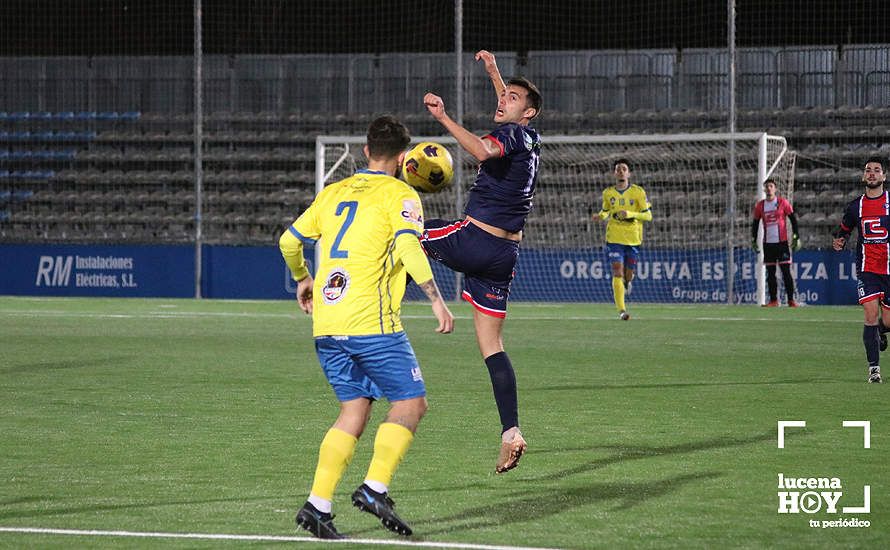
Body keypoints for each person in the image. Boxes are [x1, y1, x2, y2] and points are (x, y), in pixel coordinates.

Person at [279, 115, 454, 539]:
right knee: (411, 404)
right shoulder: (401, 194)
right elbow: (408, 244)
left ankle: (317, 505)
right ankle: (375, 488)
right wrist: (436, 299)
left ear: (365, 151)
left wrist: (303, 278)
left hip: (328, 321)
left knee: (354, 411)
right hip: (370, 323)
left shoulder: (334, 191)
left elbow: (289, 241)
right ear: (403, 158)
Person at [421, 49, 541, 473]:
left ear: (528, 113)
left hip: (475, 240)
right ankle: (511, 432)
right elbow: (509, 115)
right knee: (493, 347)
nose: (502, 100)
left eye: (511, 98)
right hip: (503, 256)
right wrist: (494, 72)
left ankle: (365, 304)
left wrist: (443, 118)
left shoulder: (509, 138)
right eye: (503, 94)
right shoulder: (529, 137)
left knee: (406, 231)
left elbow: (484, 150)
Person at [832, 156, 890, 384]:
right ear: (863, 176)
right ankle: (874, 369)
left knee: (886, 320)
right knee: (870, 315)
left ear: (884, 176)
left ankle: (879, 332)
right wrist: (840, 240)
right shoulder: (856, 206)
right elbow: (844, 229)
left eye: (877, 170)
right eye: (868, 170)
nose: (872, 173)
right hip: (867, 269)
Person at [596, 159, 652, 320]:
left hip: (633, 238)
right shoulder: (608, 193)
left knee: (628, 275)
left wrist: (630, 214)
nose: (621, 171)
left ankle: (628, 282)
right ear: (614, 173)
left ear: (629, 173)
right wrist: (600, 216)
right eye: (618, 169)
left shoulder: (638, 192)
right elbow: (605, 211)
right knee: (617, 271)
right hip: (614, 238)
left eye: (624, 169)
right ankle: (622, 310)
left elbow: (648, 216)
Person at [751, 179, 801, 307]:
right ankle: (773, 300)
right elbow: (756, 223)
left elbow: (793, 219)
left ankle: (791, 300)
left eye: (771, 186)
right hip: (768, 244)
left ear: (775, 188)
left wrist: (796, 236)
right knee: (770, 273)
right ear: (764, 189)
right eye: (766, 186)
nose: (769, 188)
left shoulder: (782, 203)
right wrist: (753, 239)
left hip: (782, 243)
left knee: (786, 272)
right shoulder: (760, 206)